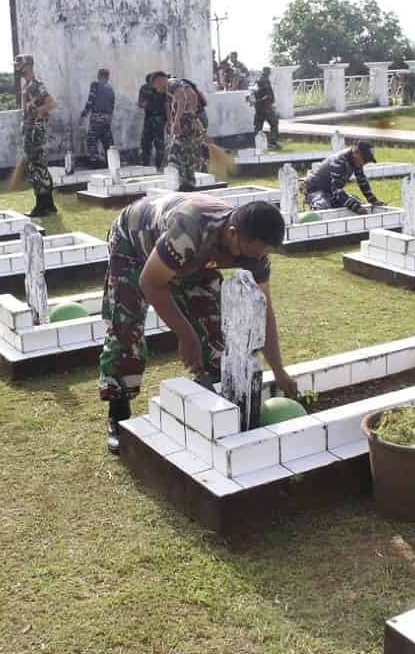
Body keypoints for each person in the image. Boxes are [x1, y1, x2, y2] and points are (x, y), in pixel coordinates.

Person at [98, 195, 298, 454]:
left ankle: (210, 405)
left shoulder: (255, 248)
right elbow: (151, 283)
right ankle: (118, 414)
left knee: (215, 333)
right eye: (254, 251)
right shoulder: (190, 229)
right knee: (126, 326)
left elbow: (264, 311)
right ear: (233, 233)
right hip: (134, 245)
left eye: (264, 253)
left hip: (192, 262)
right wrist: (186, 335)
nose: (258, 258)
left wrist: (279, 370)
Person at [14, 54, 57, 217]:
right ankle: (49, 204)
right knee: (40, 167)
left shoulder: (35, 85)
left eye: (19, 65)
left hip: (35, 132)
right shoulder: (27, 85)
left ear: (28, 66)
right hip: (31, 130)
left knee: (35, 167)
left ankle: (41, 206)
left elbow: (51, 104)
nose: (17, 68)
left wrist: (37, 114)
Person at [152, 73, 207, 190]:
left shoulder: (171, 84)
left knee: (175, 153)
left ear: (159, 81)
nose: (156, 89)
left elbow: (182, 98)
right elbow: (192, 96)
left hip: (184, 124)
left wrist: (177, 121)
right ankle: (188, 183)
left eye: (155, 86)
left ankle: (184, 183)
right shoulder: (174, 85)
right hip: (187, 123)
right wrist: (192, 116)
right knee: (185, 153)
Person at [305, 141, 385, 215]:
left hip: (330, 192)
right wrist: (356, 208)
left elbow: (362, 181)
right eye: (365, 160)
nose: (365, 163)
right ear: (356, 153)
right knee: (323, 208)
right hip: (315, 190)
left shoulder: (356, 161)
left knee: (358, 203)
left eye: (367, 161)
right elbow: (336, 190)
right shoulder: (340, 162)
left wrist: (373, 200)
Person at [80, 68, 115, 166]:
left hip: (97, 116)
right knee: (107, 141)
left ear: (98, 76)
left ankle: (95, 162)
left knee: (92, 139)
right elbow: (112, 105)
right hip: (107, 118)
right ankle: (111, 162)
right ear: (107, 77)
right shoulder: (110, 89)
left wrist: (84, 113)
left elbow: (91, 99)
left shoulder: (95, 85)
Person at [138, 72, 168, 168]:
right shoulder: (144, 88)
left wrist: (169, 120)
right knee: (146, 143)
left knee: (159, 143)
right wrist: (143, 104)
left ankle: (159, 165)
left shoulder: (163, 88)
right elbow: (140, 103)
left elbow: (167, 104)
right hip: (149, 118)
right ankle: (146, 165)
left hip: (159, 119)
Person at [250, 66, 280, 148]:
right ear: (266, 72)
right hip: (265, 106)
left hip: (258, 107)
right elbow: (267, 94)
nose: (269, 73)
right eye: (268, 71)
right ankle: (272, 142)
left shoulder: (258, 80)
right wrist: (269, 100)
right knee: (274, 123)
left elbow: (254, 93)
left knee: (258, 126)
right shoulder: (265, 81)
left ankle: (255, 143)